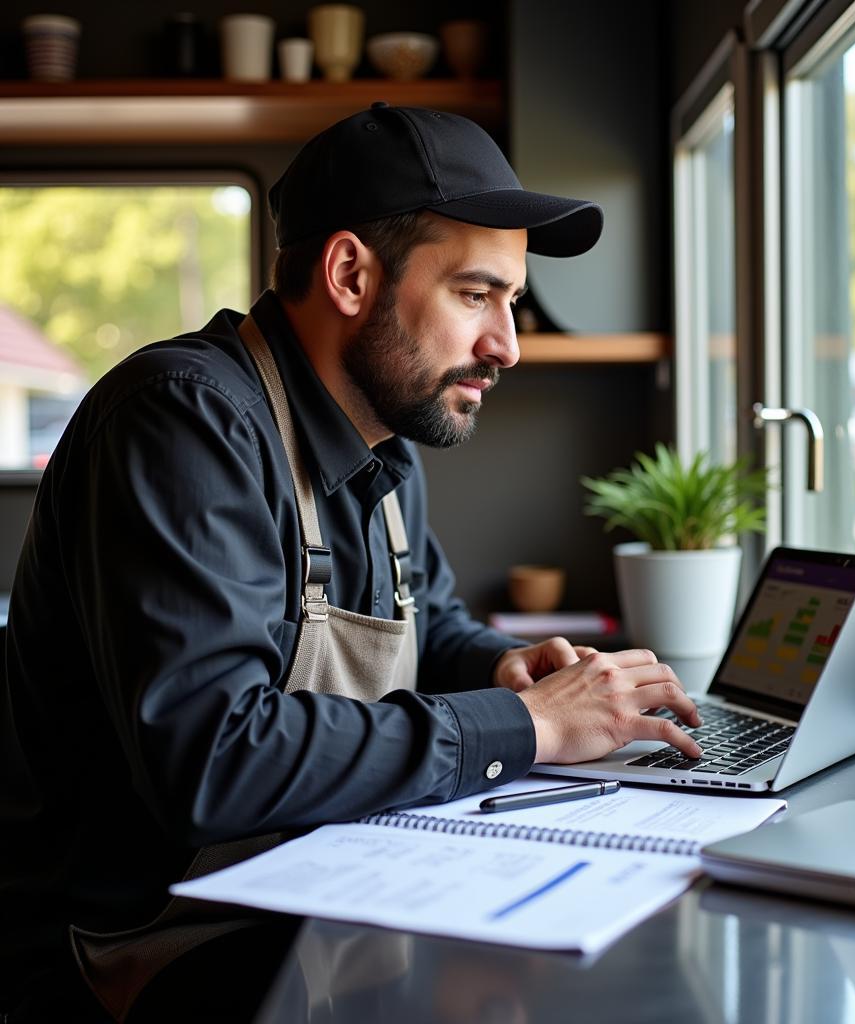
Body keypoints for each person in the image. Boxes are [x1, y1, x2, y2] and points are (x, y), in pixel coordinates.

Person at [0, 104, 702, 1020]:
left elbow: (426, 617)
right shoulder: (182, 419)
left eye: (512, 301)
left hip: (304, 894)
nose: (508, 345)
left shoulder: (386, 443)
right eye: (474, 294)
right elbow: (216, 761)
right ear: (348, 274)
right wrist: (525, 725)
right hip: (133, 954)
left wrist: (503, 666)